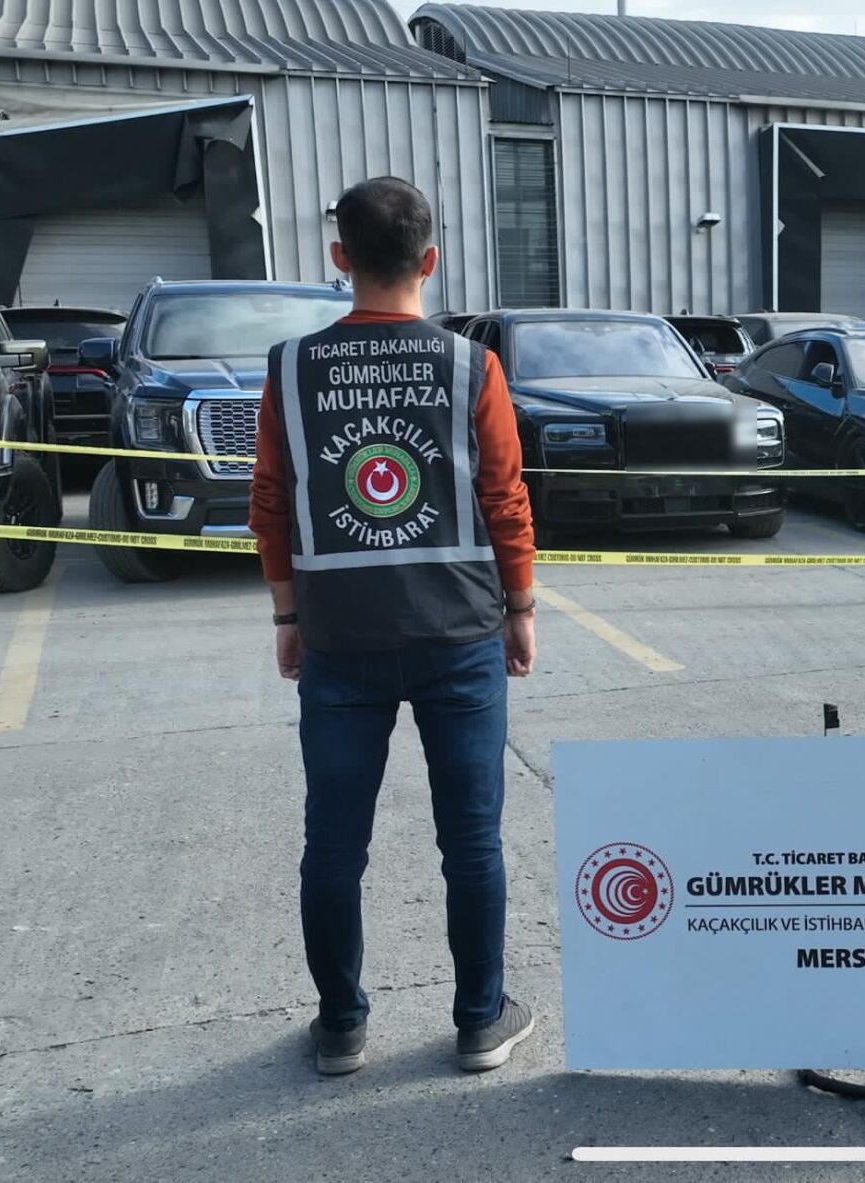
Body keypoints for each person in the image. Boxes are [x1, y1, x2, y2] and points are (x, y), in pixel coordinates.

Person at [249, 177, 541, 1077]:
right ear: (431, 260)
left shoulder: (289, 368)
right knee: (473, 841)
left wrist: (288, 614)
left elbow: (270, 505)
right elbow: (504, 499)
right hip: (460, 632)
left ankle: (341, 1026)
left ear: (340, 258)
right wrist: (521, 609)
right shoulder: (471, 366)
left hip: (339, 638)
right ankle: (480, 1020)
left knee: (334, 844)